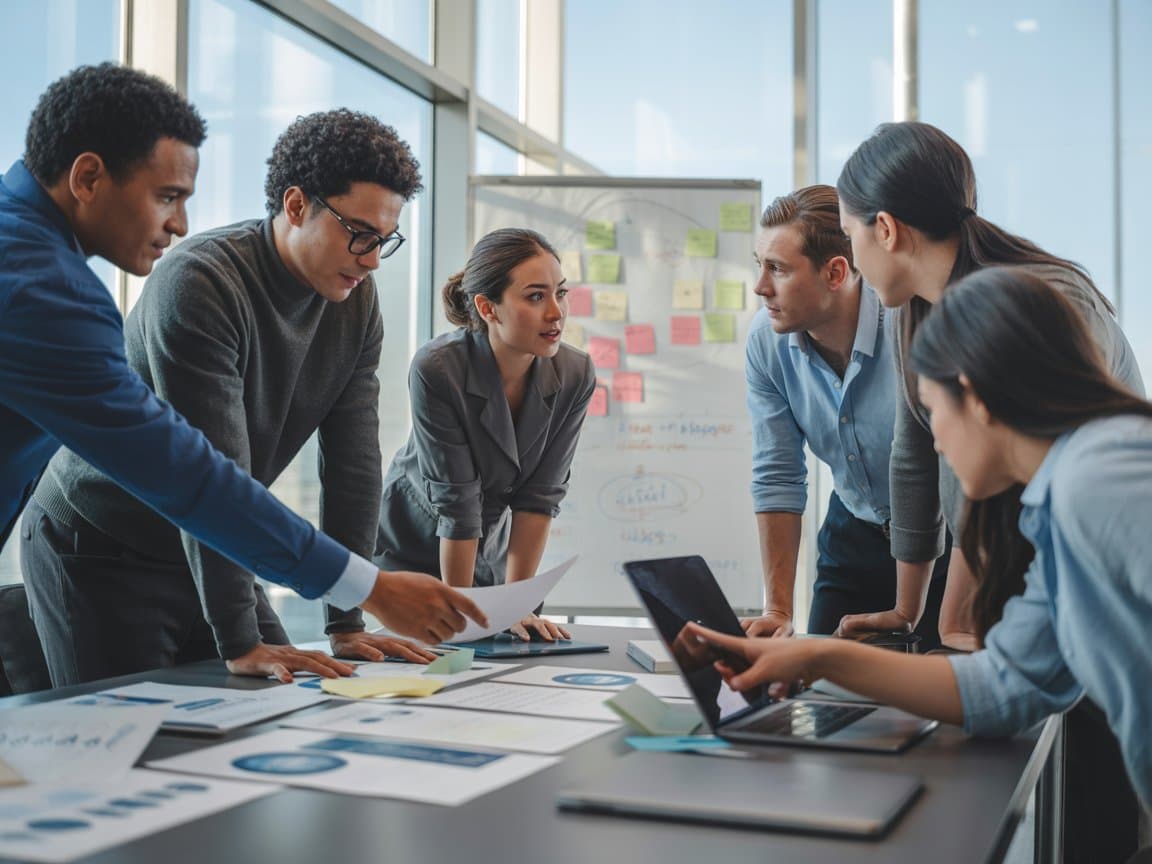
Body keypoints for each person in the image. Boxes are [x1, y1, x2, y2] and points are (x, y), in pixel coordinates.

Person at [0, 63, 485, 675]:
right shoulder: (57, 289)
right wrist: (367, 588)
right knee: (125, 748)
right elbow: (189, 467)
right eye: (166, 197)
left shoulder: (38, 261)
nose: (177, 224)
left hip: (212, 538)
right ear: (90, 176)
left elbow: (354, 461)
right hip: (103, 545)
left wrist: (346, 617)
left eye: (383, 241)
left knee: (281, 702)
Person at [687, 269, 1152, 828]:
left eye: (932, 410)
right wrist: (819, 656)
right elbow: (1010, 685)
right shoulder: (1054, 506)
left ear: (976, 398)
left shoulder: (1100, 475)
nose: (932, 440)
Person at [833, 120, 1143, 646]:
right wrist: (911, 610)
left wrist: (965, 620)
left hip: (1091, 574)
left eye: (849, 236)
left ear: (884, 229)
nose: (855, 260)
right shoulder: (915, 311)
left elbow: (1037, 473)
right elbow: (914, 454)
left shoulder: (1039, 306)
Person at [741, 185, 947, 646]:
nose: (761, 286)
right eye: (760, 264)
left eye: (777, 268)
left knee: (939, 694)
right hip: (854, 530)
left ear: (835, 272)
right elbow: (778, 472)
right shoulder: (766, 341)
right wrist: (777, 608)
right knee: (820, 686)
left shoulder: (910, 324)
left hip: (943, 536)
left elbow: (932, 466)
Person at [374, 228, 595, 641]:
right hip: (412, 548)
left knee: (502, 653)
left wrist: (518, 604)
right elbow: (457, 504)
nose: (556, 312)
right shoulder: (438, 368)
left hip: (486, 547)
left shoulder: (575, 374)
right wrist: (464, 616)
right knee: (432, 665)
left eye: (560, 293)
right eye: (535, 296)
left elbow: (539, 497)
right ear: (487, 307)